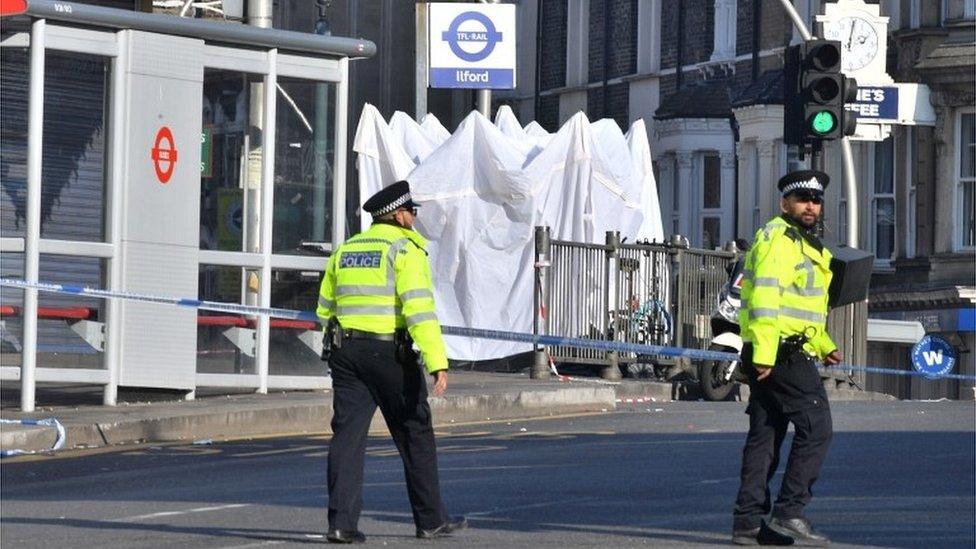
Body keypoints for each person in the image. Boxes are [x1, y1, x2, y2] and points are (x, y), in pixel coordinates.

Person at [317, 180, 466, 544]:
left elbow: (324, 308)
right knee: (415, 431)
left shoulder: (347, 249)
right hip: (389, 355)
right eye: (412, 212)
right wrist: (437, 361)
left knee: (348, 438)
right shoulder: (405, 249)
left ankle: (341, 524)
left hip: (347, 353)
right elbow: (418, 310)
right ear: (399, 215)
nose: (414, 218)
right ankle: (430, 520)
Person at [731, 170, 842, 546]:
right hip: (778, 351)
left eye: (816, 199)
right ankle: (790, 512)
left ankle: (747, 523)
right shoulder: (779, 240)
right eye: (802, 199)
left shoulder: (801, 244)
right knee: (818, 428)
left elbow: (802, 308)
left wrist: (825, 345)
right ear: (785, 204)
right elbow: (764, 300)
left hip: (777, 348)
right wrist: (764, 355)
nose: (811, 205)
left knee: (765, 435)